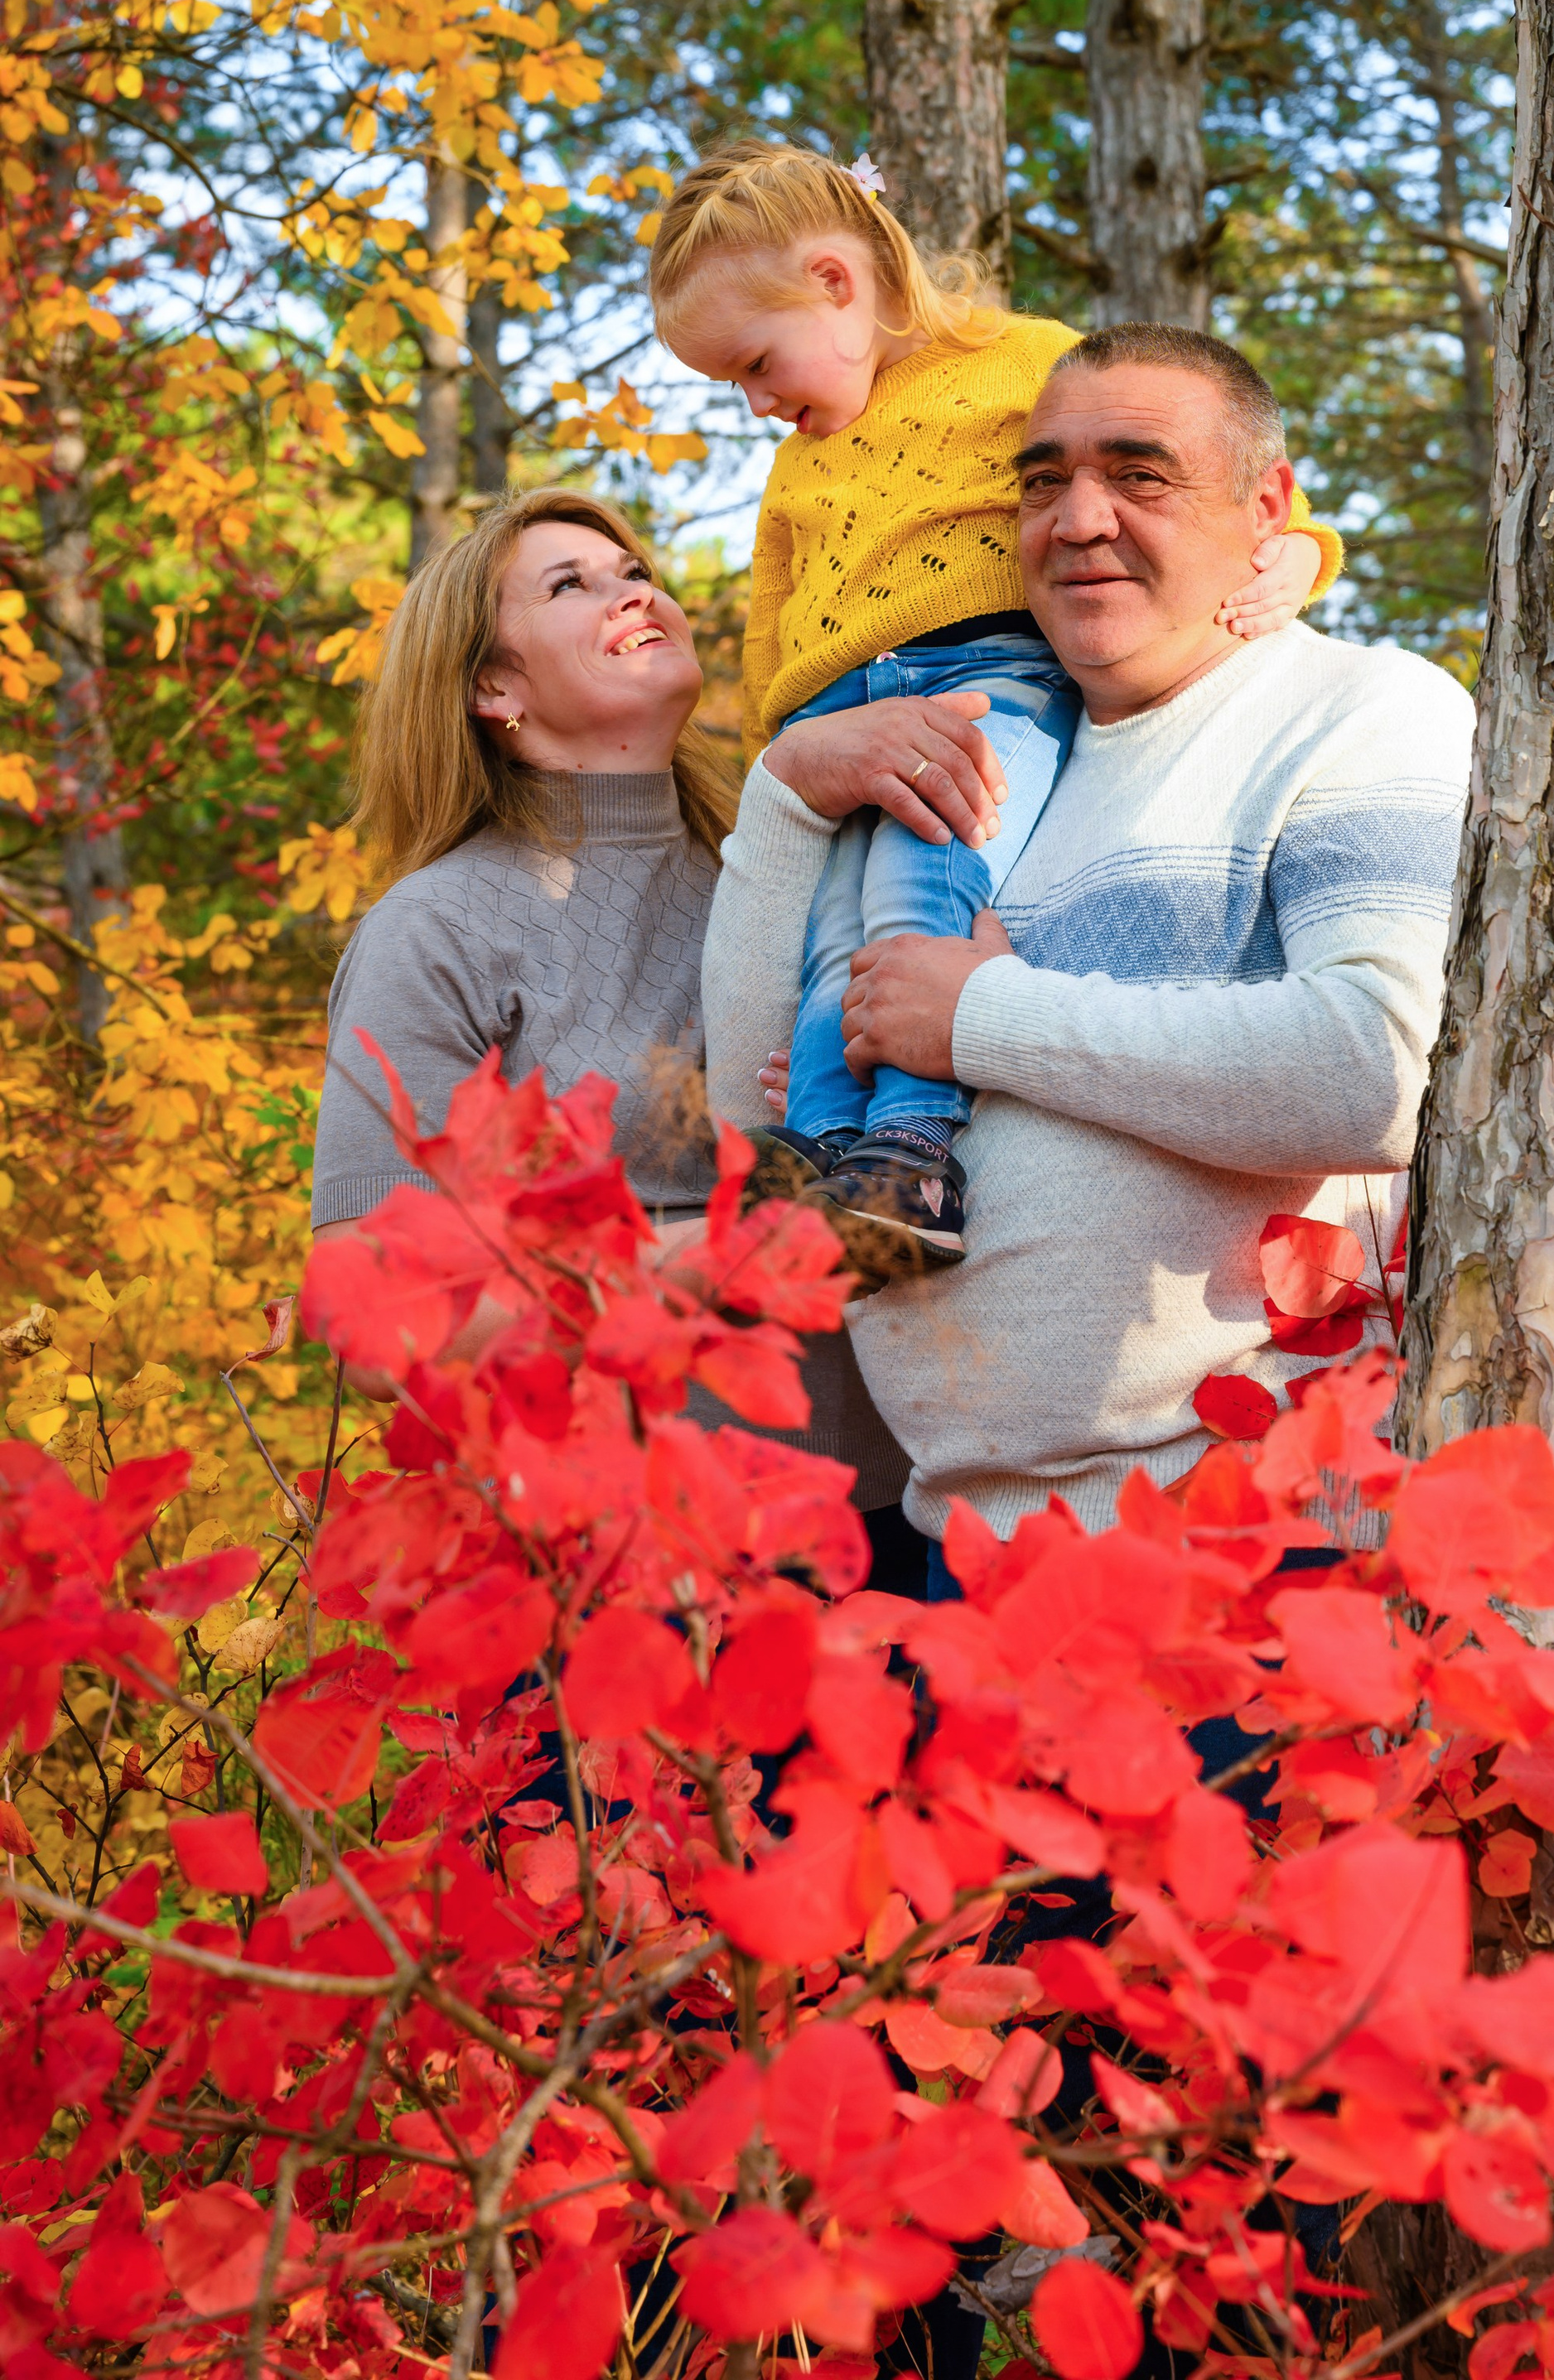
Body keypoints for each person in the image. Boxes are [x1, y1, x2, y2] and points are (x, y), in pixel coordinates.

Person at [700, 327, 1474, 1580]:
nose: (1078, 517)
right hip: (955, 1550)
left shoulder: (1361, 712)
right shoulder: (977, 756)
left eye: (1141, 473)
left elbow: (1377, 1074)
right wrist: (788, 793)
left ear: (1265, 506)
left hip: (1249, 1548)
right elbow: (752, 1119)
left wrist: (982, 1019)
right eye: (1043, 478)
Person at [649, 139, 1342, 1276]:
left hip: (985, 678)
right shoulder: (801, 465)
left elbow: (1204, 451)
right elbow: (775, 613)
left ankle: (916, 1146)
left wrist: (1299, 548)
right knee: (839, 941)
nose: (758, 402)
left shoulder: (1019, 359)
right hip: (844, 720)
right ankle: (822, 1152)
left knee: (923, 893)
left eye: (758, 364)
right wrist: (784, 743)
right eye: (735, 384)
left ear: (835, 282)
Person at [307, 484, 921, 1593]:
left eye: (632, 568)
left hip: (891, 1520)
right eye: (569, 584)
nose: (632, 590)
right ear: (493, 685)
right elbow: (368, 1313)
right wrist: (715, 1256)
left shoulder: (804, 867)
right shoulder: (438, 930)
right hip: (619, 1556)